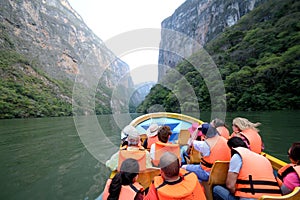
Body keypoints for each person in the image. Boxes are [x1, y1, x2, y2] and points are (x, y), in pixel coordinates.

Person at [213, 137, 281, 200]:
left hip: (250, 198)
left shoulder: (237, 156)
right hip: (273, 198)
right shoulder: (264, 159)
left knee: (216, 189)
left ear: (232, 148)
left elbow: (230, 186)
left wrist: (238, 192)